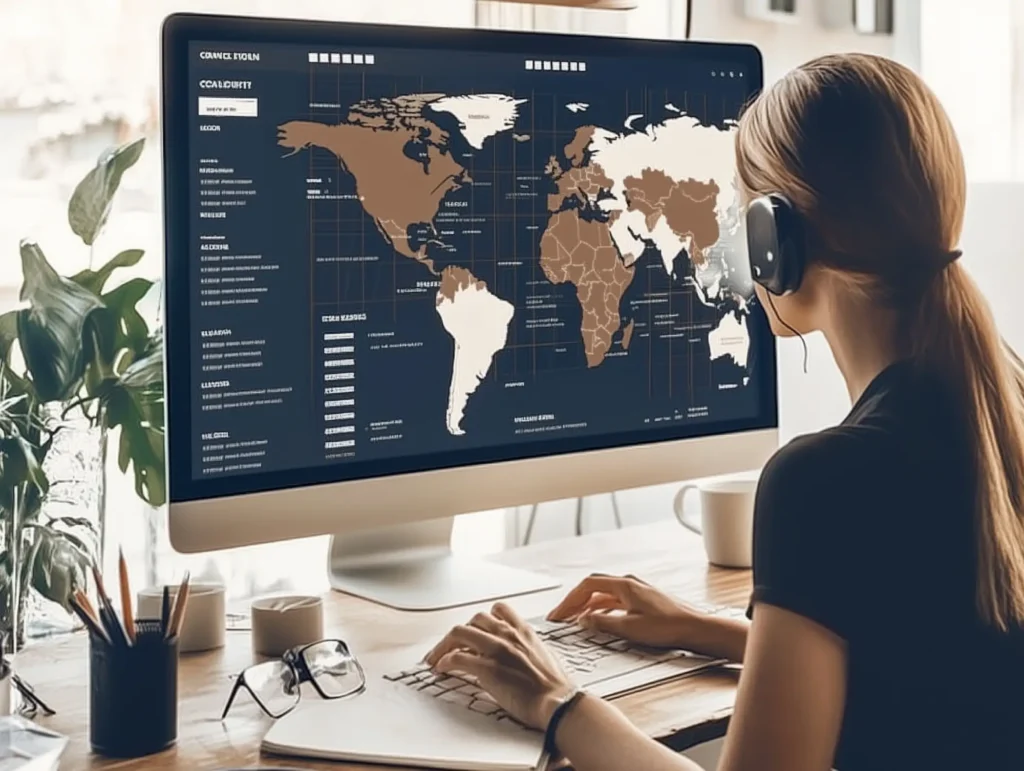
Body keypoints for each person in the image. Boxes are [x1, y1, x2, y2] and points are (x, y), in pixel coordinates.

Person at [424, 53, 1024, 771]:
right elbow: (938, 670)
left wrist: (557, 700)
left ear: (778, 239)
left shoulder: (826, 479)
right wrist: (706, 629)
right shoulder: (999, 407)